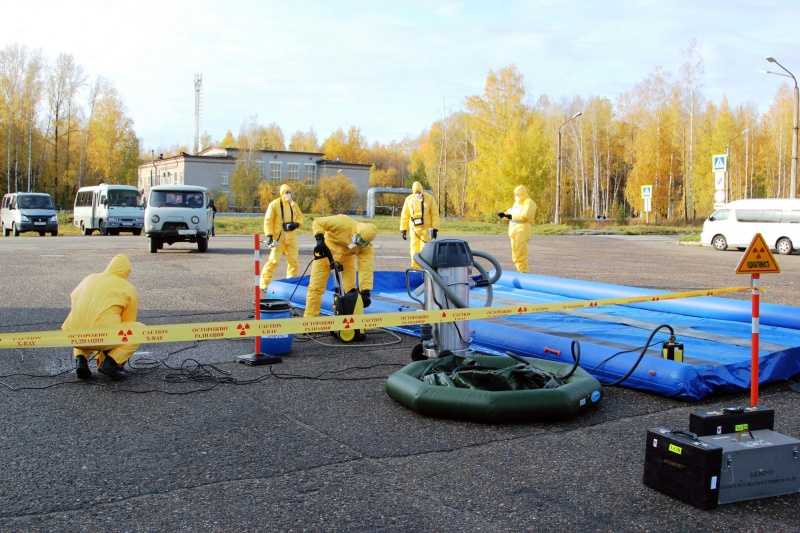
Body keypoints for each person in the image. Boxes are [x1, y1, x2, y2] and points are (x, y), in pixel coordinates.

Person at [61, 254, 145, 381]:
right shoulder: (126, 287)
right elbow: (128, 320)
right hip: (102, 334)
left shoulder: (89, 278)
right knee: (140, 330)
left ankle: (81, 361)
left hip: (72, 333)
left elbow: (73, 297)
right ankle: (111, 364)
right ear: (126, 271)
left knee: (82, 325)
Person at [304, 214, 378, 317]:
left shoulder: (366, 247)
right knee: (316, 288)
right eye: (359, 240)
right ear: (356, 232)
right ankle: (310, 321)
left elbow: (366, 268)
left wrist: (365, 291)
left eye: (363, 243)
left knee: (350, 290)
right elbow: (318, 222)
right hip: (324, 256)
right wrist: (320, 239)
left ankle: (348, 323)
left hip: (346, 261)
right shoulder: (342, 222)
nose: (360, 244)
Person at [260, 184, 303, 291]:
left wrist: (296, 224)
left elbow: (300, 217)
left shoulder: (293, 205)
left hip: (291, 237)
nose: (288, 194)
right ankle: (265, 284)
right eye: (286, 192)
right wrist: (269, 235)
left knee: (293, 261)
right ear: (282, 193)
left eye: (289, 192)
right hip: (278, 238)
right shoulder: (275, 204)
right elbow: (268, 220)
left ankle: (291, 284)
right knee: (273, 261)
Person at [498, 185, 537, 273]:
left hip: (522, 230)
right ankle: (521, 272)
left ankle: (524, 274)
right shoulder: (517, 204)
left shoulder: (529, 202)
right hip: (514, 230)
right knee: (515, 255)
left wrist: (510, 216)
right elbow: (511, 213)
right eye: (515, 194)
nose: (516, 196)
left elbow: (525, 216)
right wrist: (504, 215)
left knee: (520, 254)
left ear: (522, 194)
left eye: (517, 194)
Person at [399, 181, 440, 268]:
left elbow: (434, 213)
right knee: (414, 251)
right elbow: (405, 215)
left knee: (424, 251)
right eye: (416, 192)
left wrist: (435, 228)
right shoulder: (409, 200)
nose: (417, 194)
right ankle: (415, 271)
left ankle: (425, 271)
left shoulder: (429, 198)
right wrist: (403, 229)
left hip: (426, 230)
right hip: (414, 231)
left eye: (419, 192)